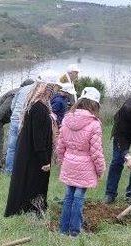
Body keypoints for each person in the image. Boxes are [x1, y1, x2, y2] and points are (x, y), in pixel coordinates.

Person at [55, 88, 105, 236]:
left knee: (69, 195)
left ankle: (63, 230)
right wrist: (100, 170)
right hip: (85, 166)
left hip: (69, 163)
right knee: (78, 198)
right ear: (94, 105)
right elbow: (96, 152)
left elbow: (60, 146)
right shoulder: (94, 124)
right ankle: (75, 232)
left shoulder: (66, 118)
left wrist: (62, 161)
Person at [4, 81, 58, 217]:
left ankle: (28, 208)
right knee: (35, 181)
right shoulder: (39, 108)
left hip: (29, 152)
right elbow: (38, 137)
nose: (53, 94)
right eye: (52, 90)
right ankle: (33, 209)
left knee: (26, 181)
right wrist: (44, 160)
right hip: (34, 155)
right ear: (47, 91)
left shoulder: (34, 105)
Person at [0, 79, 35, 171]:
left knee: (13, 142)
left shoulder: (21, 93)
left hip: (0, 119)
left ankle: (4, 161)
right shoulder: (15, 93)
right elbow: (3, 108)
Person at [4, 78, 37, 174]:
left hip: (14, 118)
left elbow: (12, 105)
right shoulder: (35, 90)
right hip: (24, 120)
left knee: (11, 147)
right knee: (24, 146)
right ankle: (22, 170)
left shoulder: (21, 90)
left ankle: (9, 170)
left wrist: (15, 114)